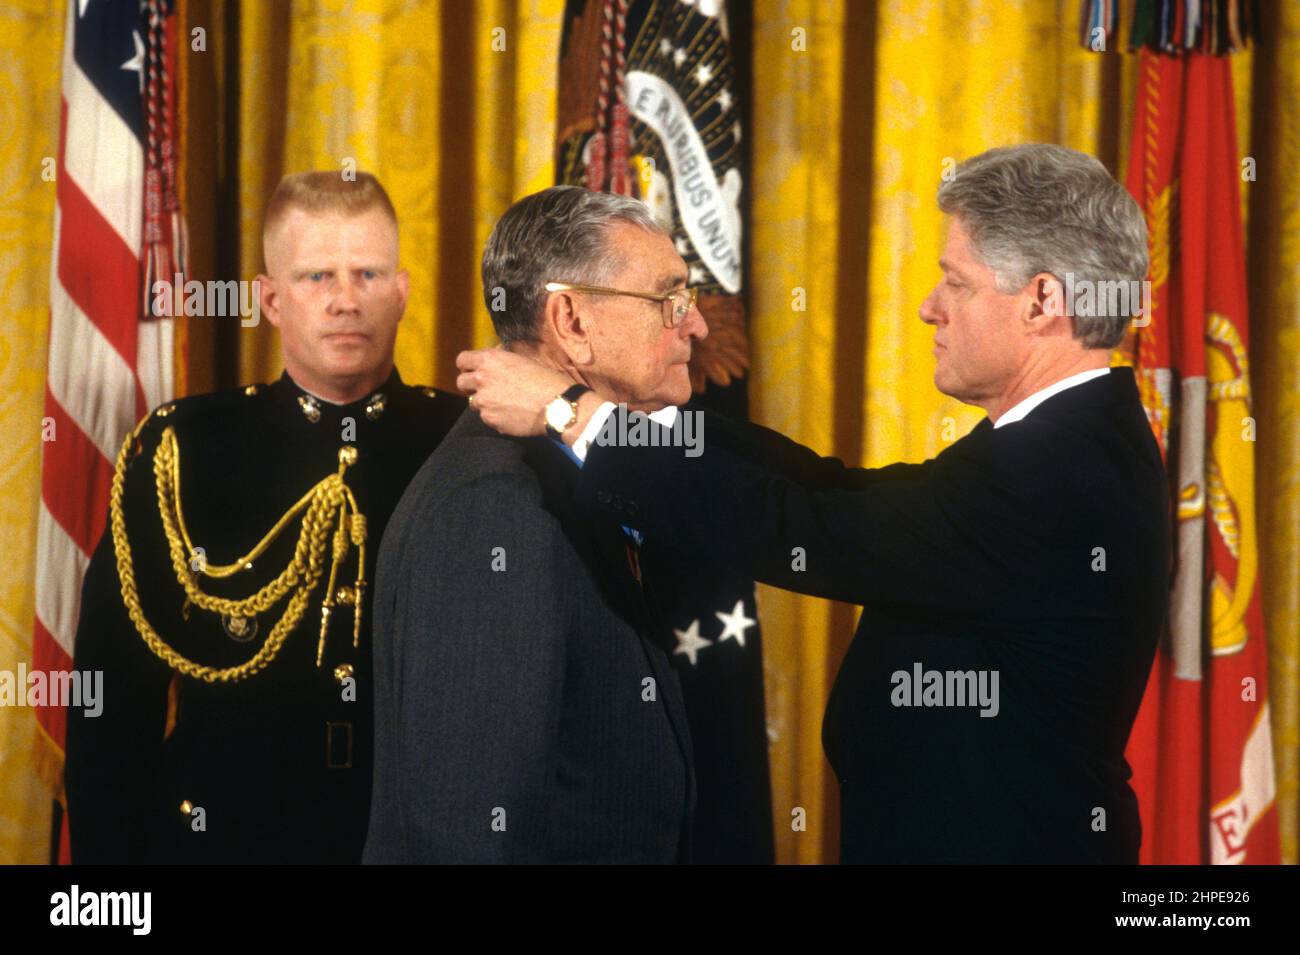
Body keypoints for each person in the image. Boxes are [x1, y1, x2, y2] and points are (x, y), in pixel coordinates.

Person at [456, 144, 1172, 864]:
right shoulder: (1065, 441)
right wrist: (647, 418)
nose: (929, 308)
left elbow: (809, 527)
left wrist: (571, 413)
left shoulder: (1059, 471)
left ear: (1042, 300)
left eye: (955, 283)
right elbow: (837, 490)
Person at [65, 170, 465, 863]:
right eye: (316, 277)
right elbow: (112, 710)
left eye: (368, 273)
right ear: (270, 300)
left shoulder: (468, 446)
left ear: (401, 293)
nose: (345, 300)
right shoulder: (184, 450)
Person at [363, 185, 707, 863]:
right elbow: (467, 833)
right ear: (570, 320)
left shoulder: (564, 469)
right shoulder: (495, 506)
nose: (693, 325)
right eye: (668, 299)